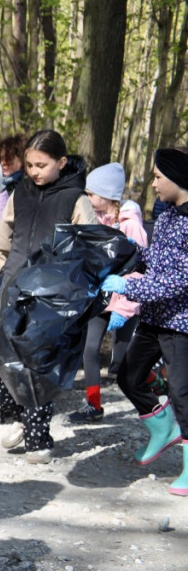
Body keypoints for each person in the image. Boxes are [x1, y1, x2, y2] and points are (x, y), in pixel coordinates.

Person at [0, 129, 97, 463]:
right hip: (12, 286)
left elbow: (89, 246)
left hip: (51, 295)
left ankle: (38, 438)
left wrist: (73, 287)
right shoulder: (18, 193)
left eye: (42, 164)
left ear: (61, 163)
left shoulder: (75, 199)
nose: (34, 171)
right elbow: (4, 237)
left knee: (38, 364)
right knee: (6, 358)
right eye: (30, 164)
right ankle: (19, 418)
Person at [104, 146, 188, 496]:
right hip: (154, 317)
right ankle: (162, 426)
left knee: (182, 392)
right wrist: (127, 257)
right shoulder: (167, 214)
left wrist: (130, 287)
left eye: (157, 176)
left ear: (179, 179)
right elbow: (155, 260)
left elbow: (179, 278)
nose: (153, 183)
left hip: (181, 323)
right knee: (128, 375)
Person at [69, 163, 149, 423]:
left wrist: (124, 310)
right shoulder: (98, 221)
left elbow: (139, 271)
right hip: (99, 301)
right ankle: (94, 406)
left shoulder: (132, 226)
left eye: (91, 194)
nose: (88, 199)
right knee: (89, 350)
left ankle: (159, 389)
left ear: (106, 196)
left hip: (125, 304)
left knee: (124, 362)